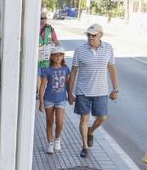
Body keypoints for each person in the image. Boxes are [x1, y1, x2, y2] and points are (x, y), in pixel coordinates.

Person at [68, 23, 119, 158]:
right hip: (83, 91)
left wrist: (116, 89)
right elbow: (73, 72)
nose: (90, 37)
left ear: (100, 35)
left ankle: (91, 131)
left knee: (102, 117)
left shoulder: (108, 48)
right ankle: (84, 146)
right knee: (84, 118)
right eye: (89, 35)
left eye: (93, 35)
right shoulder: (80, 50)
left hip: (101, 90)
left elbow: (112, 68)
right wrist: (70, 92)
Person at [37, 46, 71, 154]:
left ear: (63, 57)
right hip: (49, 99)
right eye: (55, 55)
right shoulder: (47, 70)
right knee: (49, 121)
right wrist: (41, 102)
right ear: (51, 57)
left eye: (60, 55)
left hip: (61, 99)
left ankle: (57, 139)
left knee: (60, 122)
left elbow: (68, 84)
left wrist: (70, 95)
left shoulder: (65, 69)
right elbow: (42, 86)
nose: (58, 57)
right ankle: (50, 143)